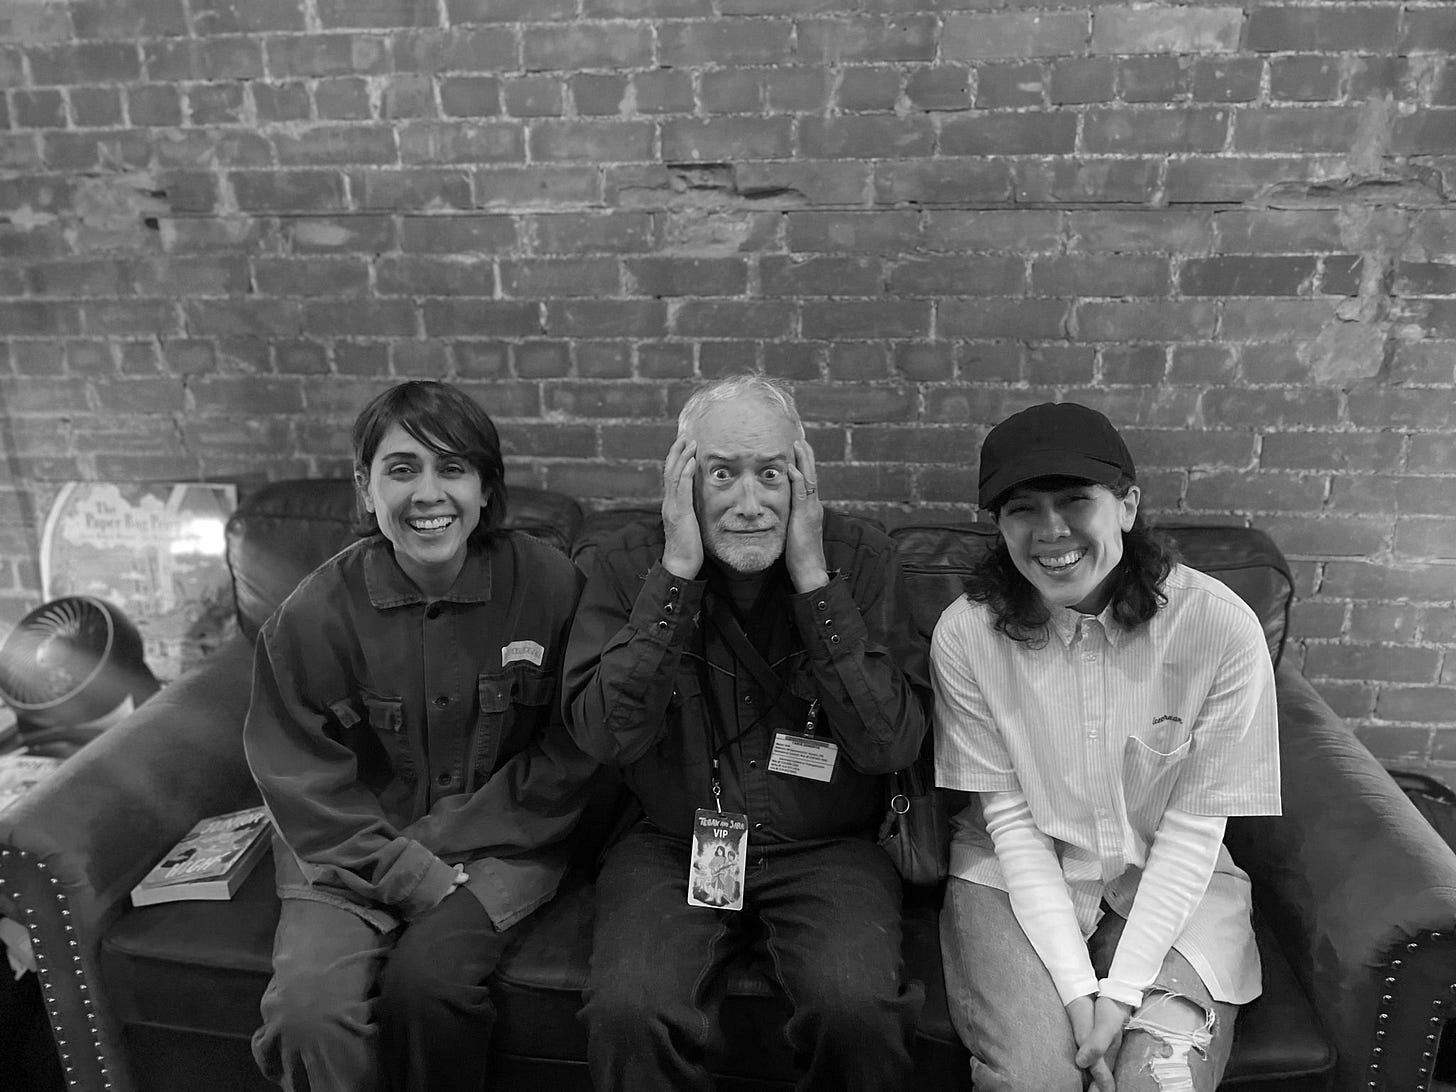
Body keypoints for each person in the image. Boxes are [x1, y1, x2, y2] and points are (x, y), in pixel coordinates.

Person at [563, 374, 930, 1091]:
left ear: (803, 475)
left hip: (828, 846)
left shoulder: (861, 559)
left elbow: (891, 744)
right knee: (629, 1012)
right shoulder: (624, 564)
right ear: (682, 479)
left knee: (856, 1012)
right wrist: (675, 575)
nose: (750, 504)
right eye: (722, 474)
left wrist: (814, 580)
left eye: (771, 474)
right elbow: (604, 737)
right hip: (673, 843)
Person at [244, 379, 599, 1092]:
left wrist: (446, 845)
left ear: (485, 489)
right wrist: (405, 869)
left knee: (428, 988)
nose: (428, 494)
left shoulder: (550, 586)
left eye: (453, 469)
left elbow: (574, 750)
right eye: (402, 470)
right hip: (349, 856)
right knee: (308, 1015)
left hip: (501, 847)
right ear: (366, 488)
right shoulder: (310, 616)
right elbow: (300, 781)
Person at [931, 402, 1281, 1091]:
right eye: (1022, 510)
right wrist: (1076, 996)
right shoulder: (967, 635)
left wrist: (1119, 999)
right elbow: (1012, 825)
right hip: (1009, 875)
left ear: (1127, 506)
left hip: (1169, 880)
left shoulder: (1219, 630)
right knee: (1037, 1083)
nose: (1050, 531)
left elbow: (1193, 832)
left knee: (1161, 1081)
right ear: (999, 526)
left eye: (1074, 500)